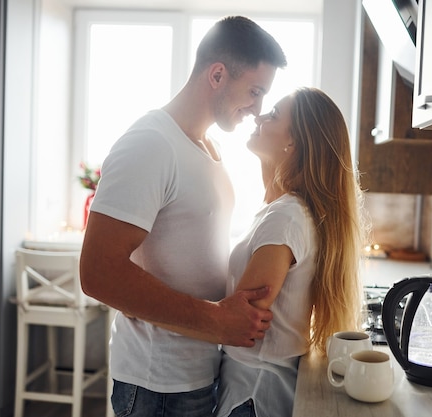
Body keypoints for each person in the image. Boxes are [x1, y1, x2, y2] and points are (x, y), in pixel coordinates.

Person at [79, 16, 287, 417]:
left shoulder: (209, 148)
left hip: (198, 375)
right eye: (255, 91)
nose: (258, 109)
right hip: (158, 386)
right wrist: (215, 319)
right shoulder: (151, 143)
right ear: (217, 75)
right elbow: (97, 272)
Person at [214, 87, 366, 417]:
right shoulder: (286, 212)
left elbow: (240, 322)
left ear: (292, 142)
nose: (258, 115)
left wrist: (153, 310)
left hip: (251, 395)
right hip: (258, 388)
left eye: (272, 115)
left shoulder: (285, 217)